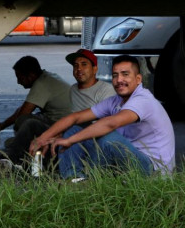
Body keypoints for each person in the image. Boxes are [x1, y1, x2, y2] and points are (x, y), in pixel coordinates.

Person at [30, 54, 175, 177]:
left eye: (125, 74)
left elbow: (110, 124)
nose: (119, 80)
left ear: (138, 79)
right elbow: (75, 117)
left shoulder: (143, 100)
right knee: (73, 130)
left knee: (109, 139)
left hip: (153, 169)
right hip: (131, 156)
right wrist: (44, 138)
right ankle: (73, 181)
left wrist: (70, 141)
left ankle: (93, 186)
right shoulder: (115, 101)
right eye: (115, 75)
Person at [0, 55, 72, 164]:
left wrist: (10, 128)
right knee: (29, 119)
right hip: (58, 121)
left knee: (26, 122)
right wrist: (2, 125)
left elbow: (22, 114)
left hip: (62, 127)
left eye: (20, 78)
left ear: (31, 76)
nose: (18, 82)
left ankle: (11, 157)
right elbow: (24, 108)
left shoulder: (41, 85)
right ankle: (21, 145)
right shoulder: (47, 77)